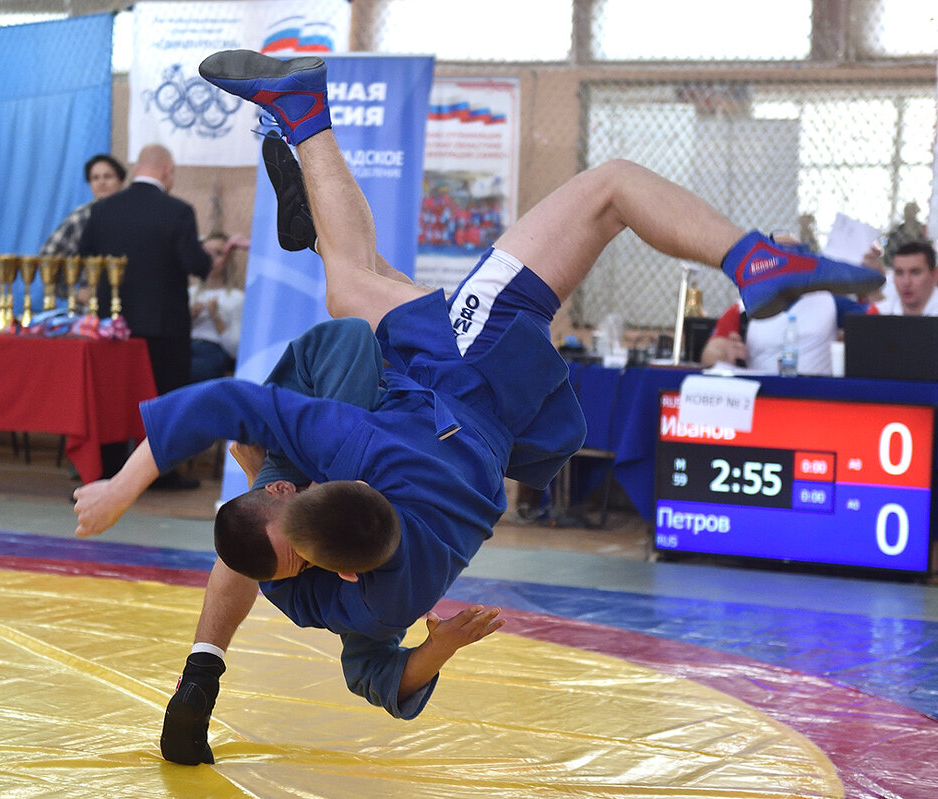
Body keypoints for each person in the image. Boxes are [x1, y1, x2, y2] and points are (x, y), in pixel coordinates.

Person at [72, 49, 883, 764]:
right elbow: (226, 400)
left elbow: (379, 675)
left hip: (503, 419)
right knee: (609, 189)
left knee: (354, 279)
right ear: (312, 486)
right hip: (466, 359)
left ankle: (307, 138)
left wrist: (439, 647)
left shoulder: (377, 592)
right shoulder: (359, 449)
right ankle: (755, 259)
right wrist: (121, 487)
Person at [79, 143, 212, 487]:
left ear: (136, 168)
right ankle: (161, 475)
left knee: (113, 398)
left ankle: (109, 472)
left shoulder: (102, 210)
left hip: (112, 325)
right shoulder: (178, 210)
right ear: (168, 171)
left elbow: (85, 257)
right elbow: (193, 264)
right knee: (164, 400)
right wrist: (208, 255)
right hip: (164, 326)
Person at [700, 290, 871, 375]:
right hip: (764, 396)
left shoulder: (830, 301)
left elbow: (875, 322)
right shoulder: (743, 310)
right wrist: (723, 356)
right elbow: (710, 353)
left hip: (818, 397)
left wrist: (871, 290)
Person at [188, 231, 250, 384]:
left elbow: (236, 351)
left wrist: (217, 318)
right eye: (206, 253)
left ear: (227, 260)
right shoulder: (189, 293)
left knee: (198, 369)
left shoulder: (236, 298)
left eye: (218, 253)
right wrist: (188, 318)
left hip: (213, 351)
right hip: (186, 348)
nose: (210, 259)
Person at [39, 154, 126, 257]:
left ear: (122, 182)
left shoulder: (131, 213)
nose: (101, 182)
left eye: (107, 177)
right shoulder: (80, 215)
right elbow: (47, 253)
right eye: (95, 178)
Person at [874, 240, 937, 316]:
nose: (906, 282)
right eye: (899, 273)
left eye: (915, 272)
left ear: (934, 275)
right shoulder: (878, 313)